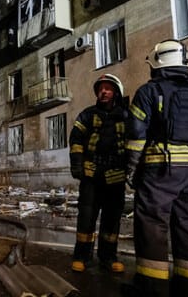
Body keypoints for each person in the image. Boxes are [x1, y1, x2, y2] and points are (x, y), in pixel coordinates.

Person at [123, 39, 188, 296]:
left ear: (157, 62)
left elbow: (136, 135)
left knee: (153, 224)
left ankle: (152, 288)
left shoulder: (149, 91)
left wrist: (131, 168)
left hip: (160, 170)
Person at [69, 73, 129, 273]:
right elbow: (76, 140)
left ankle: (108, 258)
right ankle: (82, 257)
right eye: (100, 88)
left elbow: (134, 144)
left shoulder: (126, 116)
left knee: (111, 221)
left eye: (108, 88)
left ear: (116, 92)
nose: (103, 92)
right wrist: (77, 165)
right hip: (91, 176)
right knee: (86, 218)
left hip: (116, 177)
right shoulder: (87, 114)